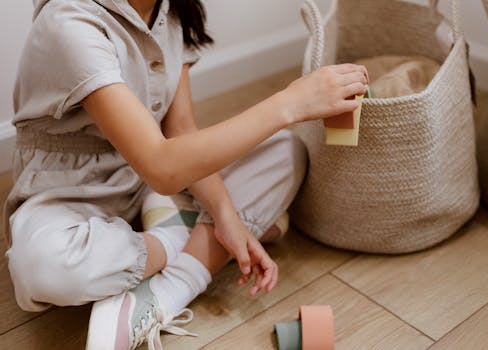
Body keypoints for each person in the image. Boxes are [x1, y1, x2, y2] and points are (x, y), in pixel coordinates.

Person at [3, 0, 368, 349]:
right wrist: (290, 103)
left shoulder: (170, 13)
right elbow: (161, 167)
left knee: (286, 152)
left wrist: (225, 215)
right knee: (43, 268)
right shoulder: (68, 21)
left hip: (150, 180)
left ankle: (169, 290)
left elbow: (180, 129)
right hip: (74, 191)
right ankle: (180, 234)